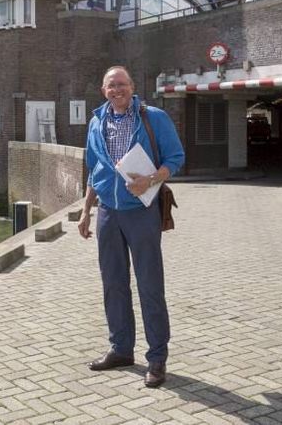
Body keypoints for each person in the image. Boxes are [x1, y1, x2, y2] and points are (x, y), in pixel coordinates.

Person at [78, 65, 185, 388]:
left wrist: (150, 180)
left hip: (142, 211)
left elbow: (176, 158)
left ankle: (157, 358)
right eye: (111, 86)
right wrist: (86, 212)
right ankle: (121, 348)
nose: (117, 90)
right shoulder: (97, 122)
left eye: (121, 84)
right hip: (108, 212)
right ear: (103, 90)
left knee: (150, 285)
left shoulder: (154, 118)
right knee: (113, 283)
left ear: (132, 86)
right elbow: (94, 170)